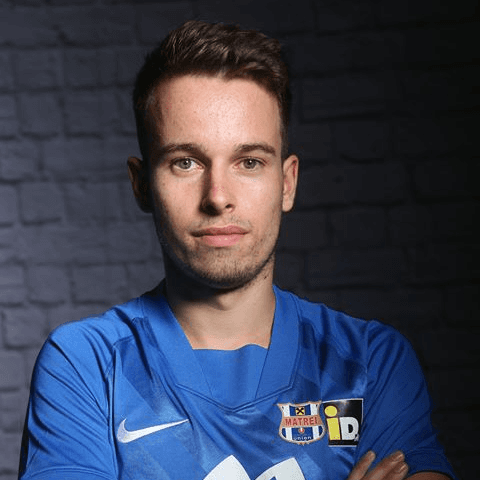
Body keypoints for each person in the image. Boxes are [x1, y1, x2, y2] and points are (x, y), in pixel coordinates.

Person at [19, 20, 457, 480]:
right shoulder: (87, 365)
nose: (218, 196)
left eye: (249, 162)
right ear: (142, 184)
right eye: (185, 162)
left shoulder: (370, 361)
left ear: (286, 183)